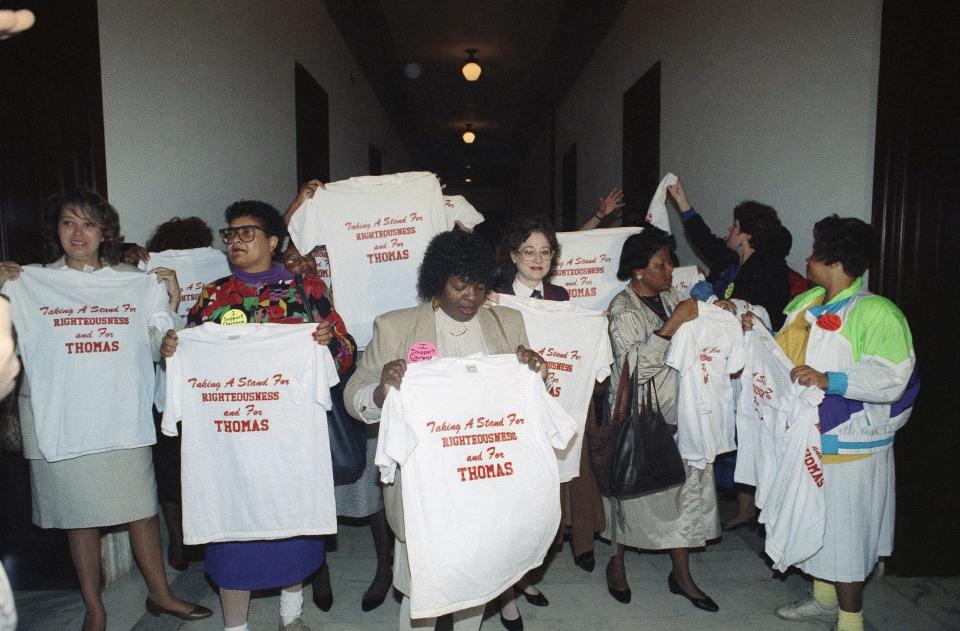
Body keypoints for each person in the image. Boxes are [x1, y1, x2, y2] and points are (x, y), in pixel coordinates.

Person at [0, 190, 211, 631]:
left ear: (105, 233)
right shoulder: (27, 282)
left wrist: (168, 304)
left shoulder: (135, 282)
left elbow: (156, 346)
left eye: (88, 224)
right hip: (62, 418)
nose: (78, 233)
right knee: (80, 518)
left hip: (119, 414)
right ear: (55, 231)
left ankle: (161, 594)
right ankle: (95, 608)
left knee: (141, 510)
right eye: (68, 223)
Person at [160, 200, 356, 631]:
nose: (235, 242)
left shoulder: (308, 292)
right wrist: (173, 351)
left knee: (292, 527)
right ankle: (236, 626)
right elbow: (190, 354)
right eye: (229, 234)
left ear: (272, 241)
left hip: (288, 439)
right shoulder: (213, 295)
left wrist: (327, 342)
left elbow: (346, 354)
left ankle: (292, 615)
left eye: (246, 233)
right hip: (229, 445)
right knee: (232, 534)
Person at [344, 230, 549, 631]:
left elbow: (530, 402)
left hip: (485, 478)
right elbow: (354, 396)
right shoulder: (394, 327)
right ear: (437, 281)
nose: (471, 296)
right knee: (420, 588)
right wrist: (382, 391)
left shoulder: (509, 323)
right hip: (425, 486)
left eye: (479, 286)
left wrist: (536, 371)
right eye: (460, 286)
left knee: (475, 581)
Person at [756, 216, 917, 631]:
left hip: (851, 446)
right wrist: (749, 328)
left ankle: (851, 620)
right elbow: (780, 353)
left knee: (846, 537)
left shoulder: (877, 312)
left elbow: (893, 377)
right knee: (812, 524)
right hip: (805, 438)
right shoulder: (806, 302)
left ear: (833, 258)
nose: (807, 258)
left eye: (814, 250)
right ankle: (823, 599)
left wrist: (832, 380)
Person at [282, 181, 395, 614]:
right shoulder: (293, 260)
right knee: (315, 474)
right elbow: (279, 233)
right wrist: (299, 203)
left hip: (360, 354)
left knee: (366, 467)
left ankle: (384, 566)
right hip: (300, 379)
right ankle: (319, 570)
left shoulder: (365, 241)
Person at [491, 216, 605, 630]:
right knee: (513, 503)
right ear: (513, 256)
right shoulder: (495, 298)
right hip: (514, 411)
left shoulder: (560, 295)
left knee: (543, 505)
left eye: (545, 251)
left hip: (552, 407)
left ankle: (523, 581)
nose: (537, 259)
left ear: (553, 257)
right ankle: (505, 595)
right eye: (528, 251)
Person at [604, 226, 721, 612]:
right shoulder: (622, 309)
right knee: (629, 487)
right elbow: (636, 364)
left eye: (669, 262)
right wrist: (674, 325)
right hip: (638, 414)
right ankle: (617, 562)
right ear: (639, 270)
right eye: (661, 264)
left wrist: (723, 313)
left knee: (683, 492)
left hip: (680, 411)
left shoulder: (672, 297)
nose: (670, 270)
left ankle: (682, 575)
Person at [667, 178, 792, 528]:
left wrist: (722, 304)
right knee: (732, 423)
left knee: (748, 426)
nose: (729, 229)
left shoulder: (768, 267)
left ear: (748, 233)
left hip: (753, 361)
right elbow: (706, 239)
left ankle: (750, 506)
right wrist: (682, 201)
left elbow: (768, 315)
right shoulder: (733, 263)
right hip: (723, 357)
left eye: (735, 225)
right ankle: (741, 505)